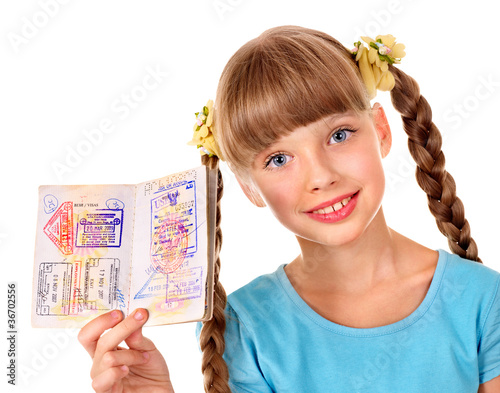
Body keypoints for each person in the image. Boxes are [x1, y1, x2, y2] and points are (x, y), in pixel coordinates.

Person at [78, 26, 500, 392]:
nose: (320, 177)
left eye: (339, 135)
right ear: (249, 187)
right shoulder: (245, 326)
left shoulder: (483, 302)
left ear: (382, 130)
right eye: (278, 159)